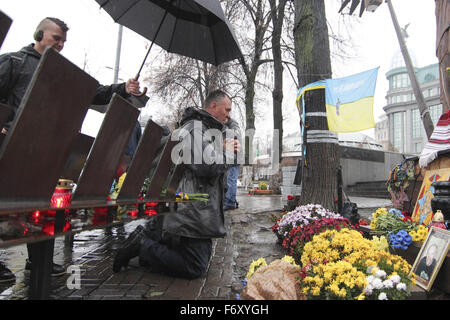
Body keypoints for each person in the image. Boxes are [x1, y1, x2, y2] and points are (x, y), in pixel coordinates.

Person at [0, 17, 141, 281]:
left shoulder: (62, 72)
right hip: (12, 146)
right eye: (57, 39)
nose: (61, 45)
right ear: (39, 34)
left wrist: (122, 88)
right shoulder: (14, 63)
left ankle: (38, 260)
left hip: (45, 149)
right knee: (5, 204)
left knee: (41, 206)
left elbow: (93, 93)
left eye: (64, 41)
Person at [113, 90, 239, 279]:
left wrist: (221, 148)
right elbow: (209, 166)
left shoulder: (203, 130)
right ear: (213, 106)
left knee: (199, 261)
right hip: (190, 212)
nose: (228, 115)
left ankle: (152, 239)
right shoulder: (194, 129)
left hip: (194, 211)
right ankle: (144, 245)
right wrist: (227, 152)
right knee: (195, 267)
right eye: (226, 109)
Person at [223, 117, 242, 211]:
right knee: (229, 180)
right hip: (231, 158)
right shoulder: (229, 125)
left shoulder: (233, 125)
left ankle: (230, 203)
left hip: (234, 159)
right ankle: (232, 200)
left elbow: (235, 135)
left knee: (231, 180)